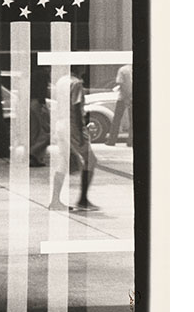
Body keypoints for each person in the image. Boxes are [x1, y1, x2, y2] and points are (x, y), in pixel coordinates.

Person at [48, 69, 98, 212]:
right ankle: (83, 199)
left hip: (61, 124)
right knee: (91, 160)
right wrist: (81, 134)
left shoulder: (61, 81)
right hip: (72, 126)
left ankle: (55, 200)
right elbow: (76, 107)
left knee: (63, 162)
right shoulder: (76, 83)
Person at [107, 63, 133, 147]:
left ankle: (112, 140)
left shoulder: (122, 70)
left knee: (117, 119)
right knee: (132, 120)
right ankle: (131, 141)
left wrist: (126, 97)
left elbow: (120, 83)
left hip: (122, 97)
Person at [29, 70, 51, 167]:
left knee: (35, 132)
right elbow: (43, 92)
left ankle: (36, 158)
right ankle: (33, 153)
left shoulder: (33, 79)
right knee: (47, 132)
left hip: (32, 103)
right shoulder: (42, 79)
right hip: (38, 103)